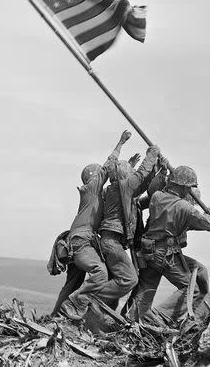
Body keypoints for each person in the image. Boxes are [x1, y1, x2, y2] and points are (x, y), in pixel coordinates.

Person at [127, 166, 210, 324]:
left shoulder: (157, 197)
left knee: (147, 288)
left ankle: (133, 319)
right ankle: (159, 317)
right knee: (192, 289)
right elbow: (209, 225)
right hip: (165, 253)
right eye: (189, 188)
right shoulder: (184, 207)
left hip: (148, 251)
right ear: (185, 187)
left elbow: (179, 220)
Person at [52, 130, 132, 318]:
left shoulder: (95, 195)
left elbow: (117, 182)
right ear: (94, 176)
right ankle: (75, 305)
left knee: (72, 283)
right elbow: (108, 165)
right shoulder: (91, 188)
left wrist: (129, 168)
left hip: (77, 241)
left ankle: (55, 317)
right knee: (100, 272)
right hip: (82, 241)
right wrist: (121, 143)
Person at [93, 144, 161, 308]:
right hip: (112, 241)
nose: (133, 175)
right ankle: (88, 298)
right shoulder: (123, 187)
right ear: (125, 176)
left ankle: (97, 308)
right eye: (130, 173)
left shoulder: (117, 190)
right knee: (129, 279)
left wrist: (157, 170)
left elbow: (143, 183)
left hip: (111, 241)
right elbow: (141, 175)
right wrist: (152, 154)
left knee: (118, 281)